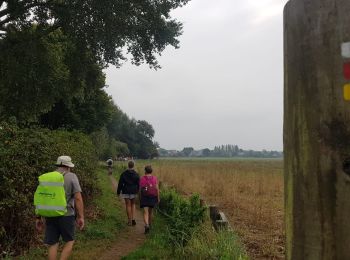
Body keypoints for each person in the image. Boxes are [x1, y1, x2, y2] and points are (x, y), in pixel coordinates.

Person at [35, 156, 84, 260]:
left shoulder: (47, 177)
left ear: (58, 165)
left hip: (50, 214)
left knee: (53, 243)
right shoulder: (72, 176)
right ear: (68, 166)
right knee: (69, 241)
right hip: (67, 215)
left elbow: (41, 198)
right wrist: (81, 217)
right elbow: (78, 198)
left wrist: (38, 217)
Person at [116, 161, 140, 226]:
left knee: (128, 205)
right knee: (133, 205)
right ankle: (133, 219)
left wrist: (118, 192)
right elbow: (138, 184)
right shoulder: (136, 174)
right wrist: (137, 191)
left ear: (128, 165)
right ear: (133, 165)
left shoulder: (124, 174)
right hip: (134, 191)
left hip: (126, 190)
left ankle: (129, 221)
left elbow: (120, 183)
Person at [139, 165, 160, 234]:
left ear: (145, 171)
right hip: (152, 197)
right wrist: (158, 197)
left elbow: (140, 189)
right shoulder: (155, 178)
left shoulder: (142, 178)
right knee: (151, 212)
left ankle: (146, 225)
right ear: (151, 171)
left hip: (145, 197)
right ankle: (150, 225)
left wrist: (140, 197)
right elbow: (157, 189)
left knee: (145, 212)